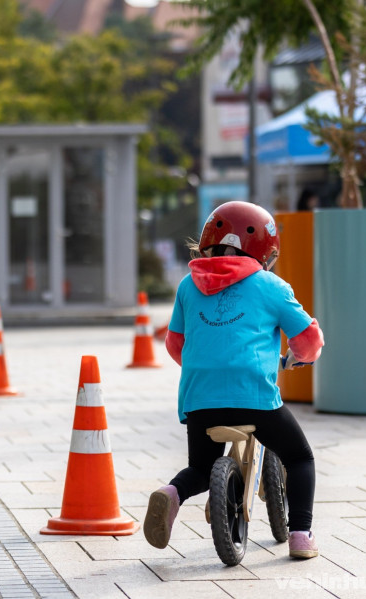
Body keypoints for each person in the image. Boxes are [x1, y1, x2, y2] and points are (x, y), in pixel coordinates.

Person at [143, 201, 325, 559]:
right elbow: (307, 339)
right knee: (300, 458)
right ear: (264, 252)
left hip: (200, 398)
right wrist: (301, 357)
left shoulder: (186, 286)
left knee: (199, 468)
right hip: (254, 397)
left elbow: (175, 344)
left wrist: (205, 365)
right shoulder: (271, 285)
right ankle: (301, 535)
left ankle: (171, 493)